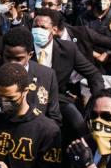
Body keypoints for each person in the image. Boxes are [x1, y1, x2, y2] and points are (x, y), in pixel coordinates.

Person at [32, 8, 104, 140]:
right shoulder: (25, 47)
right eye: (35, 26)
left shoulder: (68, 49)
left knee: (79, 125)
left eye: (43, 27)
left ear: (53, 30)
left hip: (57, 98)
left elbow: (93, 74)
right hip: (28, 97)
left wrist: (97, 100)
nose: (38, 30)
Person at [0, 26, 61, 124]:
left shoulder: (47, 76)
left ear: (30, 55)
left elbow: (54, 117)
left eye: (19, 59)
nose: (12, 63)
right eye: (8, 57)